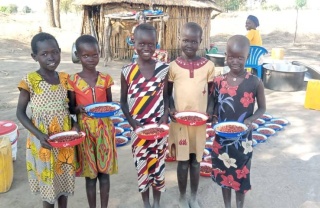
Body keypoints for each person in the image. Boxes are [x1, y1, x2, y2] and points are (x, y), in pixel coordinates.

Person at [16, 32, 76, 208]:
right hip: (43, 142)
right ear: (35, 57)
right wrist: (40, 135)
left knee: (64, 182)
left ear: (59, 52)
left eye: (55, 52)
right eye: (44, 54)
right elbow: (20, 113)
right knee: (48, 187)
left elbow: (71, 109)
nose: (51, 57)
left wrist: (75, 123)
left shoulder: (65, 79)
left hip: (64, 140)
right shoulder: (30, 81)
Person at [211, 35, 266, 208]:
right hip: (222, 139)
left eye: (240, 57)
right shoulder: (219, 80)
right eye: (231, 57)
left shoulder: (255, 82)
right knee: (224, 174)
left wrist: (251, 119)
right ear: (226, 56)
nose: (235, 61)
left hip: (243, 141)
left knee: (240, 176)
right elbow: (213, 103)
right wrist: (213, 118)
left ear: (247, 58)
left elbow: (262, 108)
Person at [120, 23, 169, 208]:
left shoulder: (163, 69)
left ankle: (157, 202)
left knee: (158, 165)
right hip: (138, 130)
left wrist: (165, 117)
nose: (146, 48)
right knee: (143, 167)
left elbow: (166, 97)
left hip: (158, 129)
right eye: (142, 44)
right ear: (134, 44)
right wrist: (133, 123)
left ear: (156, 44)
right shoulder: (127, 71)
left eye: (151, 44)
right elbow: (123, 102)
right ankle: (146, 203)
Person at [167, 22, 215, 208]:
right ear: (180, 40)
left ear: (200, 42)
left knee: (196, 162)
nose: (189, 45)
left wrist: (210, 111)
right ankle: (181, 196)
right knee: (182, 161)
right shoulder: (173, 66)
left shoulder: (208, 66)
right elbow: (167, 94)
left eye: (193, 41)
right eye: (185, 40)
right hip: (180, 123)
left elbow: (212, 93)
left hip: (200, 123)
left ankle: (193, 197)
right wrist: (171, 109)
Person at [67, 35, 118, 208]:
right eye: (85, 56)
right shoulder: (72, 81)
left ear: (99, 53)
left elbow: (110, 104)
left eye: (94, 55)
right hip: (85, 131)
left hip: (104, 130)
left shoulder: (106, 79)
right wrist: (78, 109)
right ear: (78, 56)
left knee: (104, 174)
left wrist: (112, 108)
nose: (90, 59)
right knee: (91, 176)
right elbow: (71, 108)